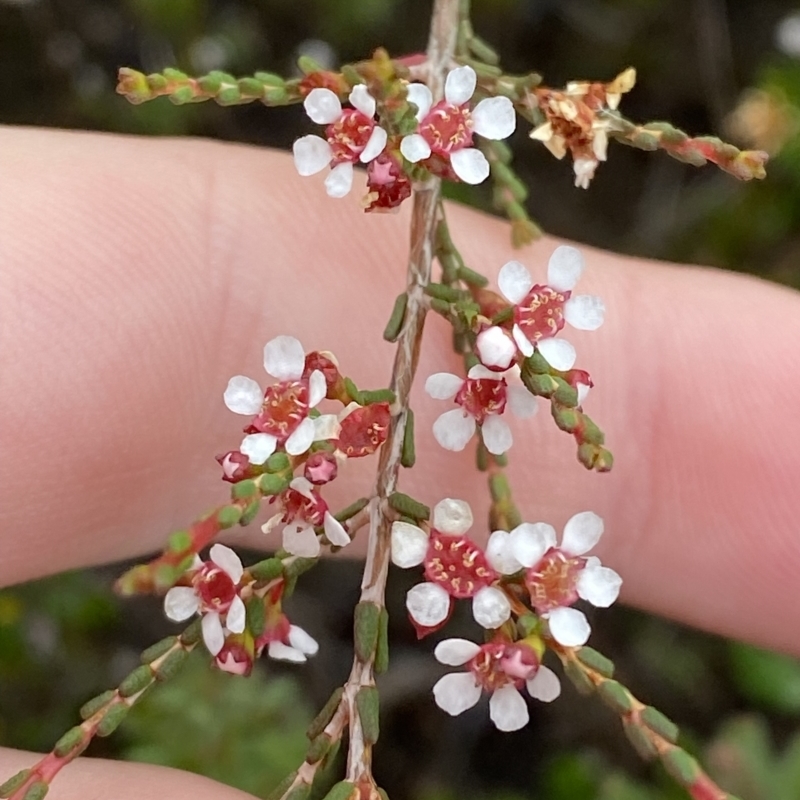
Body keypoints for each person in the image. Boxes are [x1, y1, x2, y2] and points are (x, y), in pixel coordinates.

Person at [1, 126, 799, 798]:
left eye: (498, 660)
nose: (506, 656)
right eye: (508, 658)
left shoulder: (482, 539)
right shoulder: (412, 501)